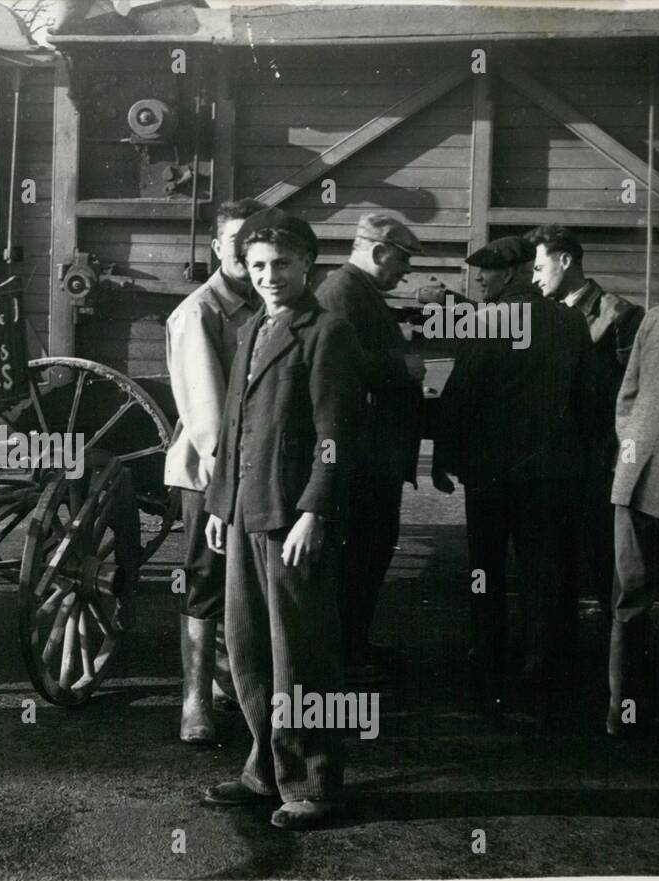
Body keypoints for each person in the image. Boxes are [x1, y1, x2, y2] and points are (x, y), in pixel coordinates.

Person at [202, 214, 360, 829]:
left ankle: (314, 783)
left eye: (282, 265)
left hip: (291, 520)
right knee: (248, 646)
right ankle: (263, 770)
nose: (269, 276)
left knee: (302, 654)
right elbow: (235, 427)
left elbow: (334, 435)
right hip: (246, 513)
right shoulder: (253, 328)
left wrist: (315, 510)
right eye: (259, 265)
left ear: (308, 267)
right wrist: (221, 507)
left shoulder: (328, 332)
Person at [432, 236, 595, 726]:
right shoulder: (570, 321)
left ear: (511, 274)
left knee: (486, 566)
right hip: (551, 474)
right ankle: (542, 665)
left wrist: (443, 457)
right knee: (543, 570)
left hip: (492, 475)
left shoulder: (488, 322)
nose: (479, 279)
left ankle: (486, 655)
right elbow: (590, 397)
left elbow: (461, 396)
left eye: (486, 272)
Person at [163, 198, 266, 743]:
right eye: (236, 242)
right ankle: (194, 702)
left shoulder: (265, 303)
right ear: (216, 248)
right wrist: (231, 485)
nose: (247, 253)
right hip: (213, 473)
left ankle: (232, 684)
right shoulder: (199, 313)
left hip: (256, 469)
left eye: (256, 242)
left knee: (242, 583)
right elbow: (206, 417)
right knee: (204, 581)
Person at [315, 214, 427, 682]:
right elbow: (341, 366)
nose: (405, 272)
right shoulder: (343, 292)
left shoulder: (355, 291)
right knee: (359, 556)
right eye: (401, 260)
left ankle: (352, 644)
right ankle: (343, 654)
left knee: (367, 554)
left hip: (371, 456)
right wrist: (405, 368)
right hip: (363, 459)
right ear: (379, 251)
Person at [526, 225, 645, 613]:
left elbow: (635, 394)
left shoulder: (619, 315)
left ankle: (617, 662)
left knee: (603, 563)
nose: (534, 278)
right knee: (554, 566)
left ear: (565, 260)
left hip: (598, 465)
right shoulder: (542, 315)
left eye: (540, 268)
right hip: (555, 462)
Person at [606, 301, 659, 751]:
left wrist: (633, 447)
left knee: (629, 601)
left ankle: (622, 713)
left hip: (634, 478)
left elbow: (627, 396)